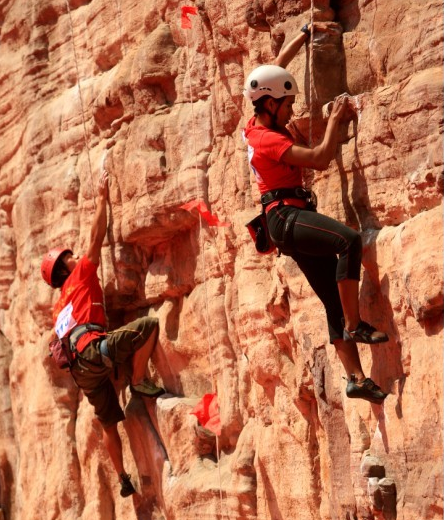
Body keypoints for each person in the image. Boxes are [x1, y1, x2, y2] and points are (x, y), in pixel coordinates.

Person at [242, 23, 389, 404]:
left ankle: (356, 379)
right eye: (288, 104)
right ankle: (354, 324)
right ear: (270, 104)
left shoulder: (255, 120)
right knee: (348, 241)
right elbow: (321, 159)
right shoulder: (267, 139)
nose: (292, 109)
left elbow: (274, 68)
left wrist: (304, 34)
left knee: (331, 299)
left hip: (285, 221)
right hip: (285, 218)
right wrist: (336, 119)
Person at [41, 169, 164, 497]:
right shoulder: (80, 275)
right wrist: (100, 198)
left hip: (83, 374)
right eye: (70, 257)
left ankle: (123, 478)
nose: (76, 257)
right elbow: (96, 239)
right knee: (149, 326)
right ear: (65, 267)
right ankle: (139, 379)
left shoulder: (58, 308)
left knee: (109, 423)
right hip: (95, 352)